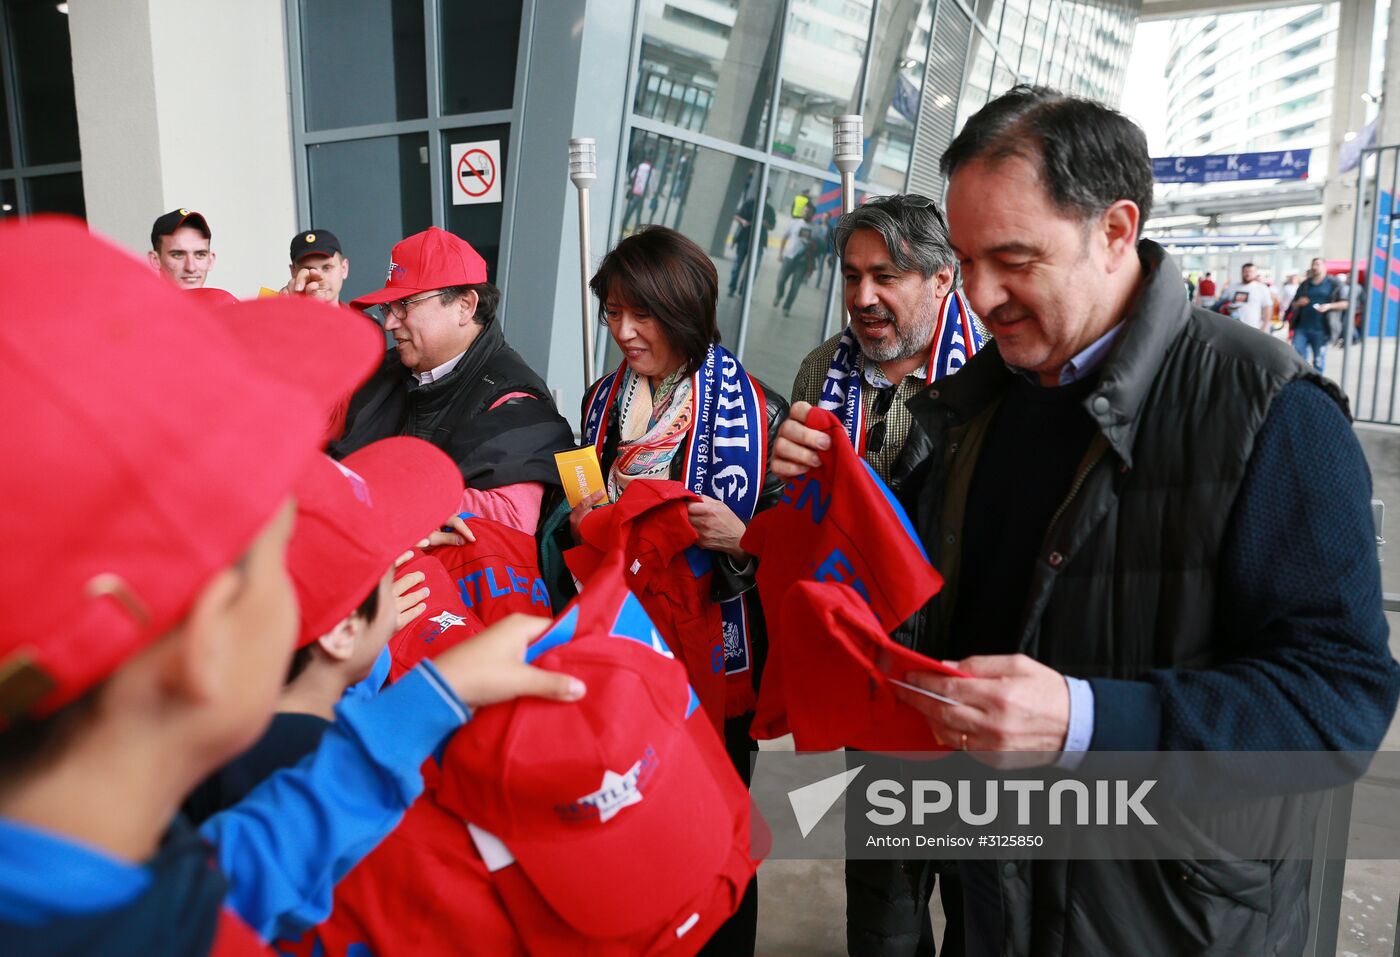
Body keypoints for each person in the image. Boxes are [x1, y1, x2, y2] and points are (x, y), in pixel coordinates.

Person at [771, 85, 1400, 957]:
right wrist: (832, 501)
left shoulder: (1270, 414)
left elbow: (1340, 701)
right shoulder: (972, 411)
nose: (980, 296)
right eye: (966, 259)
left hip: (1171, 920)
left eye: (1015, 259)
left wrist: (1086, 722)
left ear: (1114, 230)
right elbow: (925, 596)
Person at [0, 217, 586, 955]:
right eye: (288, 548)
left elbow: (231, 869)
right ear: (207, 637)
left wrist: (418, 708)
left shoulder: (120, 869)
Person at [572, 225, 788, 956]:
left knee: (716, 811)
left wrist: (744, 537)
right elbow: (574, 498)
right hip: (622, 644)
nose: (624, 331)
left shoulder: (759, 414)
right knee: (630, 803)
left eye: (643, 313)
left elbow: (797, 553)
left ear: (686, 310)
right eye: (612, 313)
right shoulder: (600, 402)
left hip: (714, 654)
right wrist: (581, 515)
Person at [789, 192, 975, 957]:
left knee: (983, 894)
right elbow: (797, 518)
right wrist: (782, 489)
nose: (863, 296)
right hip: (871, 673)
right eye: (852, 273)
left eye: (887, 275)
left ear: (942, 280)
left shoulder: (992, 380)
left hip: (973, 666)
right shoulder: (817, 372)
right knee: (885, 897)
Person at [334, 226, 575, 534]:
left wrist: (380, 497)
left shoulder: (514, 399)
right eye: (387, 308)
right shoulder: (384, 371)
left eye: (404, 305)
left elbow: (511, 518)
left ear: (464, 306)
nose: (389, 323)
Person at [1289, 257, 1346, 373]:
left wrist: (1329, 306)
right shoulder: (1305, 284)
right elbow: (1293, 304)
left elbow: (1345, 303)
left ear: (1325, 266)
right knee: (1298, 359)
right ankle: (1301, 382)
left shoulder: (1334, 283)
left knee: (1318, 360)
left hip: (1321, 329)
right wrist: (1299, 302)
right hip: (1302, 328)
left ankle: (1317, 384)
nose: (1314, 267)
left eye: (1317, 264)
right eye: (1313, 264)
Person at [149, 207, 217, 289]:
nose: (191, 268)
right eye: (178, 255)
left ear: (210, 260)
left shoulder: (228, 301)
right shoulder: (136, 301)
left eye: (200, 254)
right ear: (155, 260)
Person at [728, 193, 777, 298]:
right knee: (737, 265)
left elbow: (772, 226)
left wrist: (766, 225)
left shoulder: (769, 209)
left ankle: (744, 290)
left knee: (754, 268)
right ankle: (732, 288)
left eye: (766, 194)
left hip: (759, 242)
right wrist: (743, 221)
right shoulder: (749, 203)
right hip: (744, 238)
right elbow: (737, 215)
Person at [283, 228, 350, 302]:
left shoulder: (360, 314)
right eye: (309, 270)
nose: (319, 278)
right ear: (293, 272)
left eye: (327, 268)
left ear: (344, 269)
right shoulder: (279, 312)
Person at [773, 206, 817, 315]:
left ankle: (786, 307)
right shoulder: (795, 222)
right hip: (789, 257)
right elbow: (785, 237)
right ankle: (779, 294)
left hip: (802, 261)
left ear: (813, 214)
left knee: (795, 286)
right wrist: (780, 253)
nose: (806, 213)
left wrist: (812, 245)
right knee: (780, 280)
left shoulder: (815, 228)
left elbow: (817, 248)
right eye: (805, 211)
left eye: (808, 212)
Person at [1219, 262, 1276, 332]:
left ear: (1255, 273)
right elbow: (1221, 302)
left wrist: (1265, 326)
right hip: (1232, 327)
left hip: (1253, 328)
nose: (1248, 274)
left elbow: (1267, 308)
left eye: (1251, 272)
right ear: (1242, 272)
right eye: (1245, 271)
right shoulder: (1232, 287)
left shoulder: (1262, 288)